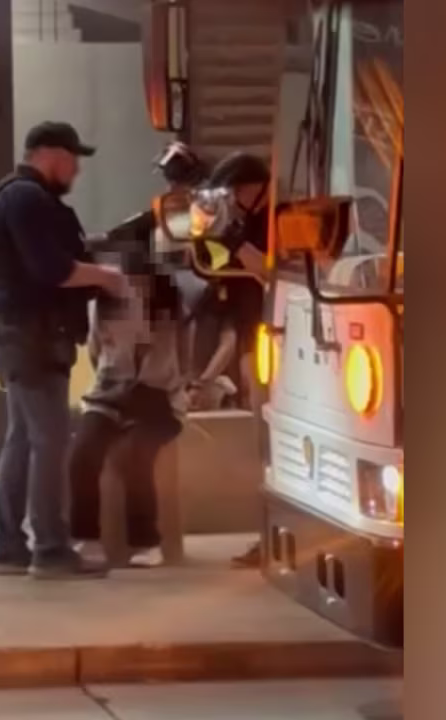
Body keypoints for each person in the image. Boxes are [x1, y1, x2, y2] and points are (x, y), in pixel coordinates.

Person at [0, 121, 128, 580]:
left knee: (24, 438)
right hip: (33, 337)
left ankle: (7, 547)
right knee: (50, 442)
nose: (77, 168)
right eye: (72, 157)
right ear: (48, 153)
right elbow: (52, 269)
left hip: (24, 335)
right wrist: (106, 277)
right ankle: (51, 547)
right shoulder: (26, 197)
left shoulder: (22, 197)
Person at [66, 142, 205, 569]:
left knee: (135, 456)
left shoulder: (172, 304)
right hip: (110, 395)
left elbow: (181, 356)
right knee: (82, 454)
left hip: (158, 398)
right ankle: (85, 538)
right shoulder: (103, 305)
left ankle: (147, 540)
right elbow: (94, 351)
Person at [194, 151, 273, 568]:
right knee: (261, 447)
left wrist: (236, 241)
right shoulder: (238, 223)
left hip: (275, 343)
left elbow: (272, 273)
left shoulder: (281, 220)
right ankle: (267, 535)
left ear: (254, 188)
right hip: (250, 341)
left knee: (270, 448)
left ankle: (271, 536)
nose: (233, 200)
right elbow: (215, 270)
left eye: (236, 192)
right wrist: (208, 236)